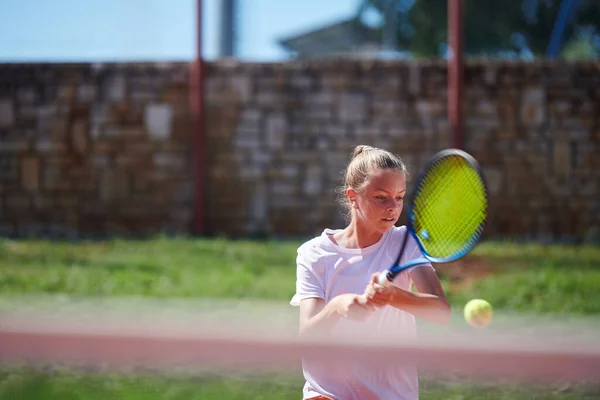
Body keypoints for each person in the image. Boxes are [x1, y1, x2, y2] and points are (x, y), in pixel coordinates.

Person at [290, 145, 451, 400]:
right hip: (327, 394)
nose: (392, 207)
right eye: (381, 197)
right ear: (353, 196)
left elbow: (441, 312)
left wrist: (392, 296)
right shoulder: (314, 254)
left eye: (399, 197)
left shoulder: (406, 242)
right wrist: (337, 307)